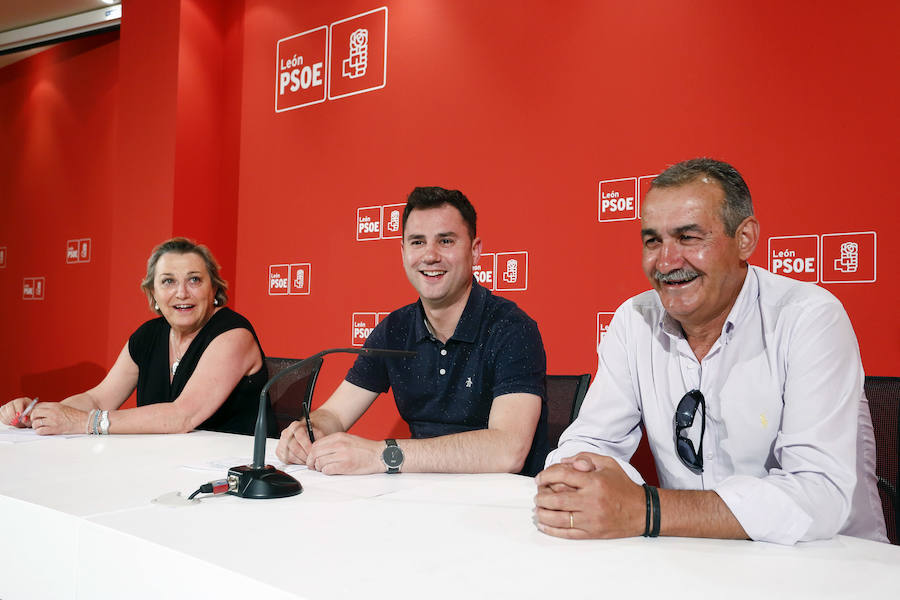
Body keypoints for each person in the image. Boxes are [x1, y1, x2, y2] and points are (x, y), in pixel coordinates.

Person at [535, 158, 887, 544]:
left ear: (745, 239)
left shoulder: (808, 317)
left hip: (831, 563)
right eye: (653, 240)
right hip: (696, 558)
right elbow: (591, 443)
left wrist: (645, 509)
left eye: (688, 237)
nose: (666, 262)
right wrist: (578, 476)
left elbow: (817, 495)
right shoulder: (634, 319)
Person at [277, 186, 549, 476]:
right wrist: (311, 431)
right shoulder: (394, 329)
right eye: (417, 242)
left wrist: (383, 455)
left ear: (475, 251)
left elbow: (507, 451)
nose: (430, 256)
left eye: (445, 241)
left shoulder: (511, 328)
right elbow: (334, 414)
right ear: (404, 253)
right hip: (416, 499)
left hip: (496, 509)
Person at [0, 237, 275, 437]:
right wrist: (41, 414)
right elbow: (98, 399)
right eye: (168, 281)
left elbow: (182, 416)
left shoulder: (233, 334)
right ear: (153, 294)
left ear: (213, 289)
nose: (181, 293)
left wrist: (85, 423)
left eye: (194, 280)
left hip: (231, 474)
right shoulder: (148, 335)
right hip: (163, 465)